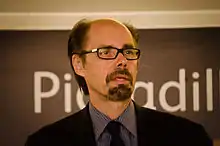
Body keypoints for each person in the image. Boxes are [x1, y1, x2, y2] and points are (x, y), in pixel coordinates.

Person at [25, 18, 213, 146]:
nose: (122, 60)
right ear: (79, 64)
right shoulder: (44, 142)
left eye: (129, 52)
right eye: (106, 52)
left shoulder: (188, 137)